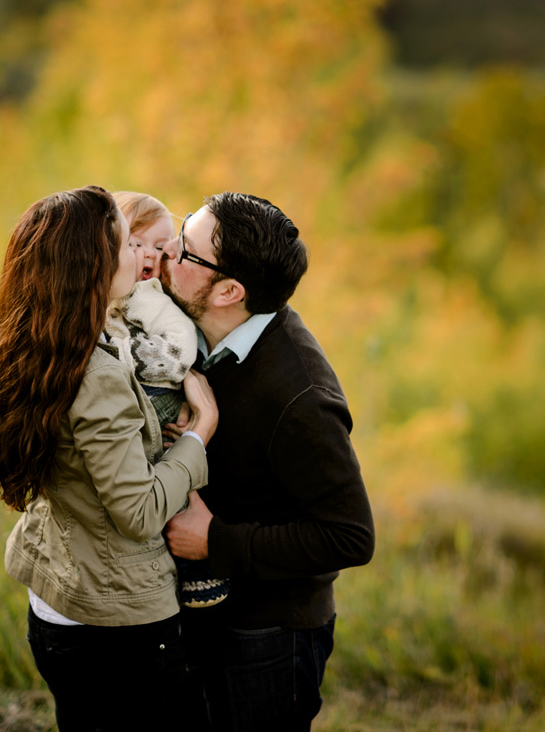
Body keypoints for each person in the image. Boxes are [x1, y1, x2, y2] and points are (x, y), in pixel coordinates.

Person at [0, 185, 216, 731]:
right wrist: (200, 435)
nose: (145, 256)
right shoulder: (97, 374)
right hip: (114, 623)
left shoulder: (45, 338)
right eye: (129, 244)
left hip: (58, 595)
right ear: (95, 267)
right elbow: (139, 513)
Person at [158, 192, 375, 730]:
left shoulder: (302, 398)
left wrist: (217, 541)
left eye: (186, 250)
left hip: (269, 635)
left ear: (229, 291)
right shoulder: (206, 333)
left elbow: (350, 537)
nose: (168, 250)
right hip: (207, 612)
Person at [110, 190, 230, 610]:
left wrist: (124, 359)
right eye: (134, 243)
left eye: (160, 247)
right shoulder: (113, 296)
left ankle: (200, 575)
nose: (147, 255)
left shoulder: (153, 300)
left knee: (171, 479)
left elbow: (180, 355)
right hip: (131, 399)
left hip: (158, 396)